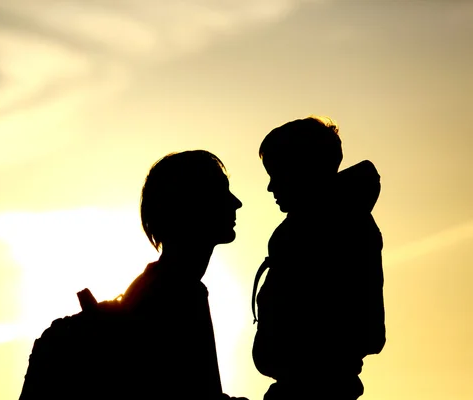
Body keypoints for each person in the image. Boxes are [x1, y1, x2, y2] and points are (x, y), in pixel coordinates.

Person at [252, 117, 386, 400]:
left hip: (314, 392)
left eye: (277, 174)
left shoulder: (332, 232)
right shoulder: (313, 230)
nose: (270, 187)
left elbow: (350, 329)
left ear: (303, 171)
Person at [122, 150, 247, 400]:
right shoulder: (178, 293)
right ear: (194, 206)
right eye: (221, 192)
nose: (236, 203)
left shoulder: (161, 284)